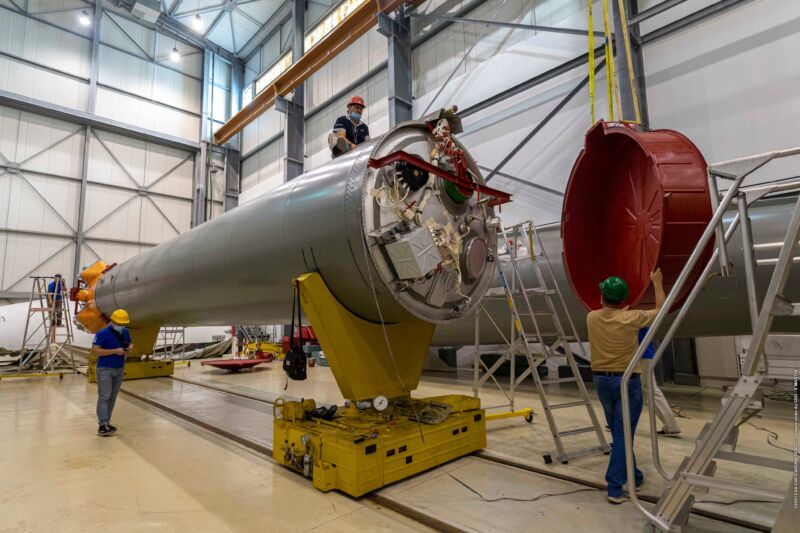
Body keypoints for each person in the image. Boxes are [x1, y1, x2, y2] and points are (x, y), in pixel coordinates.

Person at [587, 269, 665, 504]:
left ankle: (635, 475)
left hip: (601, 381)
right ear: (623, 300)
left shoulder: (591, 317)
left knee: (619, 433)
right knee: (623, 435)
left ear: (602, 298)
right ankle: (614, 486)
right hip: (626, 383)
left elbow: (611, 316)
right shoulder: (632, 319)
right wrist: (657, 284)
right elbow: (661, 310)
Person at [91, 309, 134, 437]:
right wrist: (114, 351)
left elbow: (130, 343)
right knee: (105, 396)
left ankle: (107, 422)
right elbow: (95, 350)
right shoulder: (102, 333)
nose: (121, 326)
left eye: (123, 324)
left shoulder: (125, 332)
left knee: (112, 397)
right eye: (119, 323)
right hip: (105, 369)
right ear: (113, 321)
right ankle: (102, 425)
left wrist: (129, 349)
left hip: (119, 368)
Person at [638, 327, 682, 437]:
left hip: (638, 356)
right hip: (646, 354)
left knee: (628, 390)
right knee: (652, 390)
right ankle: (671, 426)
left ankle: (618, 424)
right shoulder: (645, 314)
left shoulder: (634, 315)